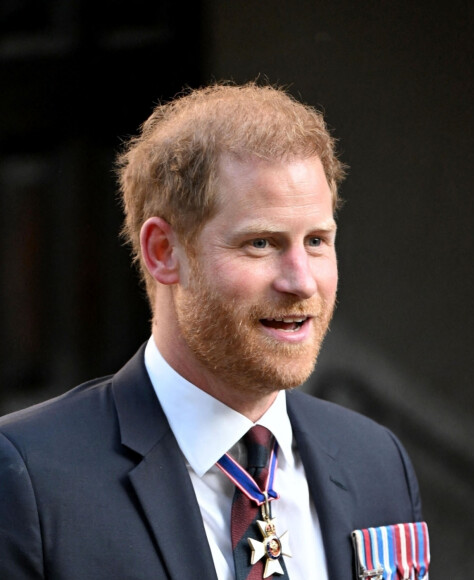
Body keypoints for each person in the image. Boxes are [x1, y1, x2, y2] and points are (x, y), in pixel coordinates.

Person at [0, 83, 424, 579]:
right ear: (164, 252)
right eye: (261, 243)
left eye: (316, 241)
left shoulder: (376, 461)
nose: (301, 280)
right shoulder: (29, 478)